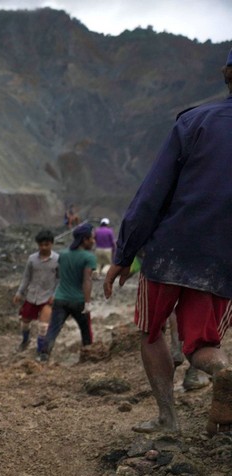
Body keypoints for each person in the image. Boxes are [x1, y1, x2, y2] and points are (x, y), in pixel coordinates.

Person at [106, 47, 232, 437]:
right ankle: (224, 372)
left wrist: (124, 254)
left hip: (170, 251)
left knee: (153, 331)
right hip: (223, 261)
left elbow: (152, 193)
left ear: (227, 72)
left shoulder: (195, 122)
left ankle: (168, 420)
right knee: (200, 346)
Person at [40, 223, 96, 359]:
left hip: (60, 299)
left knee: (53, 330)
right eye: (91, 238)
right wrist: (87, 303)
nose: (93, 241)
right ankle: (87, 355)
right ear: (84, 240)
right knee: (86, 330)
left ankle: (44, 355)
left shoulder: (63, 254)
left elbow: (59, 275)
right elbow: (87, 281)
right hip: (78, 300)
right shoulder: (89, 257)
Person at [13, 229, 59, 355]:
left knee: (43, 326)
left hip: (47, 297)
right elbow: (26, 277)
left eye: (46, 245)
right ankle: (25, 340)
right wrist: (19, 292)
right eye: (41, 245)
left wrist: (55, 295)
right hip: (32, 295)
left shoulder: (57, 260)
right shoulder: (32, 259)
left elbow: (60, 279)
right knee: (25, 322)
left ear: (51, 244)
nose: (44, 247)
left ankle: (41, 351)